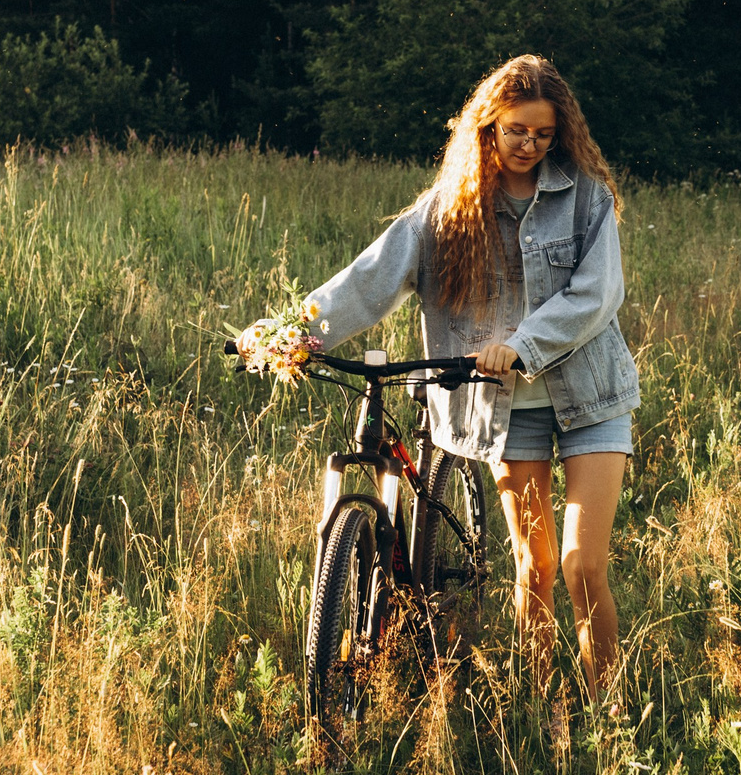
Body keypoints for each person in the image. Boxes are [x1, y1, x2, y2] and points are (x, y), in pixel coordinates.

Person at [263, 54, 640, 694]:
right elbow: (370, 279)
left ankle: (609, 716)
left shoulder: (585, 199)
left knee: (582, 565)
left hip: (591, 394)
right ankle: (539, 704)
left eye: (544, 134)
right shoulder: (448, 209)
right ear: (488, 124)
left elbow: (597, 294)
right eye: (517, 129)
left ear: (561, 133)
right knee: (535, 563)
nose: (529, 144)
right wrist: (289, 334)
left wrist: (521, 344)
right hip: (505, 405)